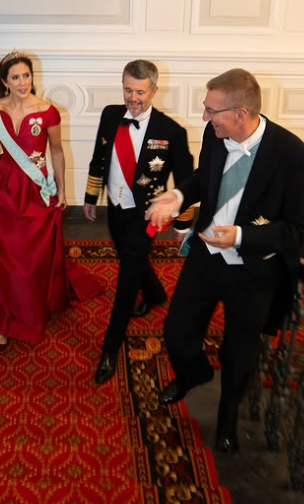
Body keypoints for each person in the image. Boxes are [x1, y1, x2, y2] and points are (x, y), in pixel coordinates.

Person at [146, 68, 304, 453]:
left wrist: (242, 237)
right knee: (176, 332)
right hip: (205, 258)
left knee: (238, 353)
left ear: (240, 113)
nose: (204, 117)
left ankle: (227, 418)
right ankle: (193, 373)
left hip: (253, 271)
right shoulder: (216, 134)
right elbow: (203, 177)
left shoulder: (295, 159)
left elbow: (300, 228)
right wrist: (178, 196)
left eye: (211, 110)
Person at [0, 51, 100, 349]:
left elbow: (56, 151)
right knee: (2, 248)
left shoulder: (48, 112)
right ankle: (4, 316)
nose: (22, 83)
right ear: (5, 81)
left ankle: (26, 307)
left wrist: (61, 189)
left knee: (25, 257)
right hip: (3, 183)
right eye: (15, 77)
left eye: (26, 76)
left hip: (34, 188)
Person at [83, 59, 194, 385]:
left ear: (154, 91)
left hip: (145, 215)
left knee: (127, 280)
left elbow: (187, 181)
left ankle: (110, 347)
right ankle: (156, 294)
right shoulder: (110, 115)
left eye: (140, 92)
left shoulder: (171, 131)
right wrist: (91, 196)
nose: (133, 98)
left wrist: (182, 224)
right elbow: (98, 157)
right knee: (129, 256)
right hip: (116, 207)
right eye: (128, 90)